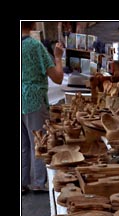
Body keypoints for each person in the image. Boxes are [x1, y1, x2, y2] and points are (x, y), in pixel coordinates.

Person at [21, 21, 64, 194]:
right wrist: (58, 57)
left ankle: (23, 182)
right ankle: (39, 182)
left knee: (24, 144)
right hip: (33, 98)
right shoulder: (34, 45)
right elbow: (58, 77)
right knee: (39, 141)